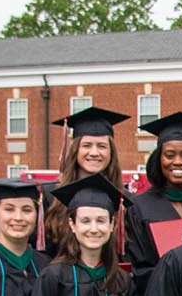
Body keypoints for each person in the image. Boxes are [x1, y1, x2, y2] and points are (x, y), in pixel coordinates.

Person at [122, 113, 182, 293]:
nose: (177, 162)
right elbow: (138, 267)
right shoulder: (138, 207)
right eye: (169, 155)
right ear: (158, 159)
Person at [41, 106, 128, 256]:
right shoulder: (50, 196)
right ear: (75, 150)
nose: (94, 153)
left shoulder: (124, 199)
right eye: (87, 145)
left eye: (102, 146)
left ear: (111, 152)